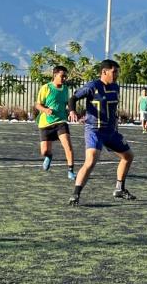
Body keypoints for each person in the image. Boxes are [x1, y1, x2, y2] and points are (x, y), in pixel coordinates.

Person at [67, 59, 135, 206]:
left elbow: (111, 109)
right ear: (104, 72)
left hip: (111, 131)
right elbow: (73, 98)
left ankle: (119, 189)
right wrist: (72, 110)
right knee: (90, 161)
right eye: (114, 71)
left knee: (128, 156)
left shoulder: (116, 87)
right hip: (94, 130)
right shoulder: (93, 86)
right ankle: (75, 194)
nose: (116, 74)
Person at [35, 66, 75, 179]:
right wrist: (45, 110)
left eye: (65, 76)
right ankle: (49, 156)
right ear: (55, 75)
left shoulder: (65, 89)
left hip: (61, 121)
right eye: (62, 76)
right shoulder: (46, 88)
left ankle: (71, 170)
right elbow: (38, 105)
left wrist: (71, 111)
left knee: (68, 145)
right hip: (46, 123)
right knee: (44, 151)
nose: (64, 78)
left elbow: (67, 103)